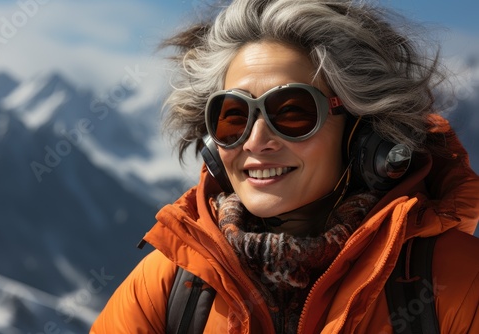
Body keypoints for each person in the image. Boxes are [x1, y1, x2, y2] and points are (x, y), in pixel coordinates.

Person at [91, 0, 479, 332]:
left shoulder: (457, 282)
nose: (256, 140)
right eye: (234, 116)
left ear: (363, 132)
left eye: (292, 112)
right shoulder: (165, 285)